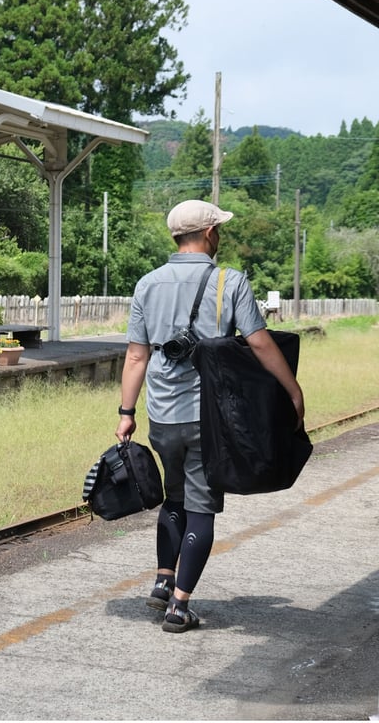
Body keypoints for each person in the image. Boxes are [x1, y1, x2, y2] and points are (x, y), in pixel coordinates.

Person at [115, 199, 305, 633]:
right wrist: (291, 389)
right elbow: (258, 343)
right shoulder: (229, 281)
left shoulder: (148, 284)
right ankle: (180, 608)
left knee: (175, 495)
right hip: (209, 418)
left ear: (174, 237)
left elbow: (135, 355)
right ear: (209, 234)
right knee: (202, 508)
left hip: (161, 415)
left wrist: (126, 412)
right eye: (218, 229)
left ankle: (164, 582)